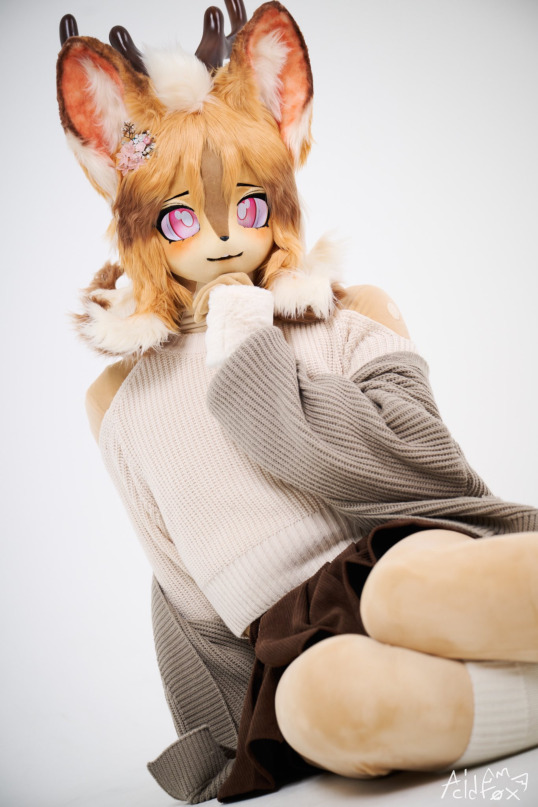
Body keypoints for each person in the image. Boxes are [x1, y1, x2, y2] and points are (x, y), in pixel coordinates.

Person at [56, 2, 538, 802]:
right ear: (136, 217)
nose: (220, 237)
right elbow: (185, 589)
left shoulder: (343, 320)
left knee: (404, 591)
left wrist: (248, 342)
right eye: (180, 217)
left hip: (392, 553)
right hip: (285, 636)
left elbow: (426, 463)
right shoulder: (122, 404)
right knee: (318, 706)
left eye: (248, 207)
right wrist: (225, 719)